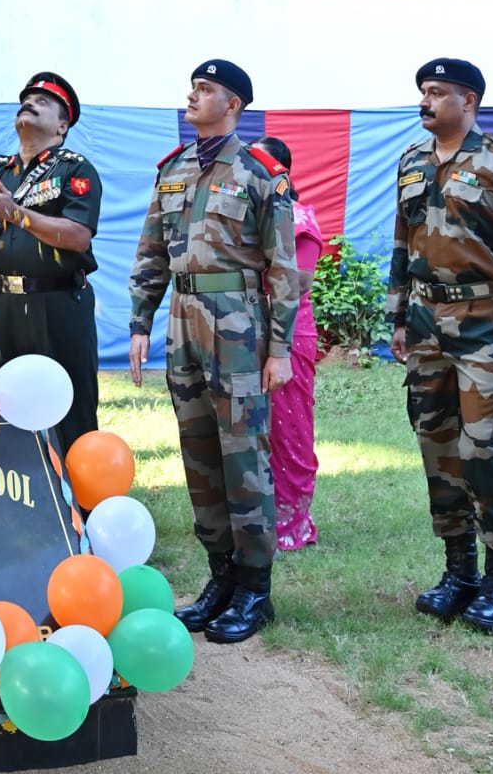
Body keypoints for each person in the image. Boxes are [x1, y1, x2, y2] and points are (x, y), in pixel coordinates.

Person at [129, 60, 298, 644]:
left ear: (233, 105)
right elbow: (152, 249)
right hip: (183, 321)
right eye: (193, 87)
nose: (192, 96)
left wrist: (279, 349)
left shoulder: (260, 173)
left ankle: (255, 588)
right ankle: (220, 576)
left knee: (243, 453)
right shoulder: (173, 169)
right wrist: (140, 320)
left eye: (205, 90)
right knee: (199, 451)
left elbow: (284, 268)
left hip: (238, 324)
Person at [387, 57, 493, 634]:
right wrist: (397, 317)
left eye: (437, 92)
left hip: (483, 321)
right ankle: (460, 572)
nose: (425, 101)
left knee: (484, 448)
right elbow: (403, 244)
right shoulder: (411, 162)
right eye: (423, 91)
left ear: (469, 101)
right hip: (425, 322)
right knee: (438, 446)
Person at [0, 72, 101, 455]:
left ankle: (79, 490)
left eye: (43, 102)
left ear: (62, 126)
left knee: (70, 408)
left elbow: (78, 236)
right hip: (5, 306)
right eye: (26, 100)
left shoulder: (74, 169)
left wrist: (16, 213)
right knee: (9, 407)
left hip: (60, 303)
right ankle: (18, 489)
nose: (30, 103)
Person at [250, 137, 323, 551]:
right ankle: (255, 517)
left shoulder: (298, 218)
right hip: (244, 331)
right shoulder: (246, 216)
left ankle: (292, 523)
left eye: (257, 160)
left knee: (289, 431)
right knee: (252, 429)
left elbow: (299, 282)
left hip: (290, 334)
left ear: (279, 170)